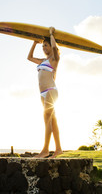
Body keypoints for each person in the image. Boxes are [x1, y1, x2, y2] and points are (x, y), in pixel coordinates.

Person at [27, 26, 63, 158]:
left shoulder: (54, 59)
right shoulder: (43, 61)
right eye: (43, 47)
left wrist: (51, 34)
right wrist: (35, 43)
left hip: (50, 91)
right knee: (52, 121)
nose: (44, 48)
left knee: (47, 120)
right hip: (42, 94)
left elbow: (54, 48)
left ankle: (45, 150)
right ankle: (58, 149)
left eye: (45, 45)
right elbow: (29, 57)